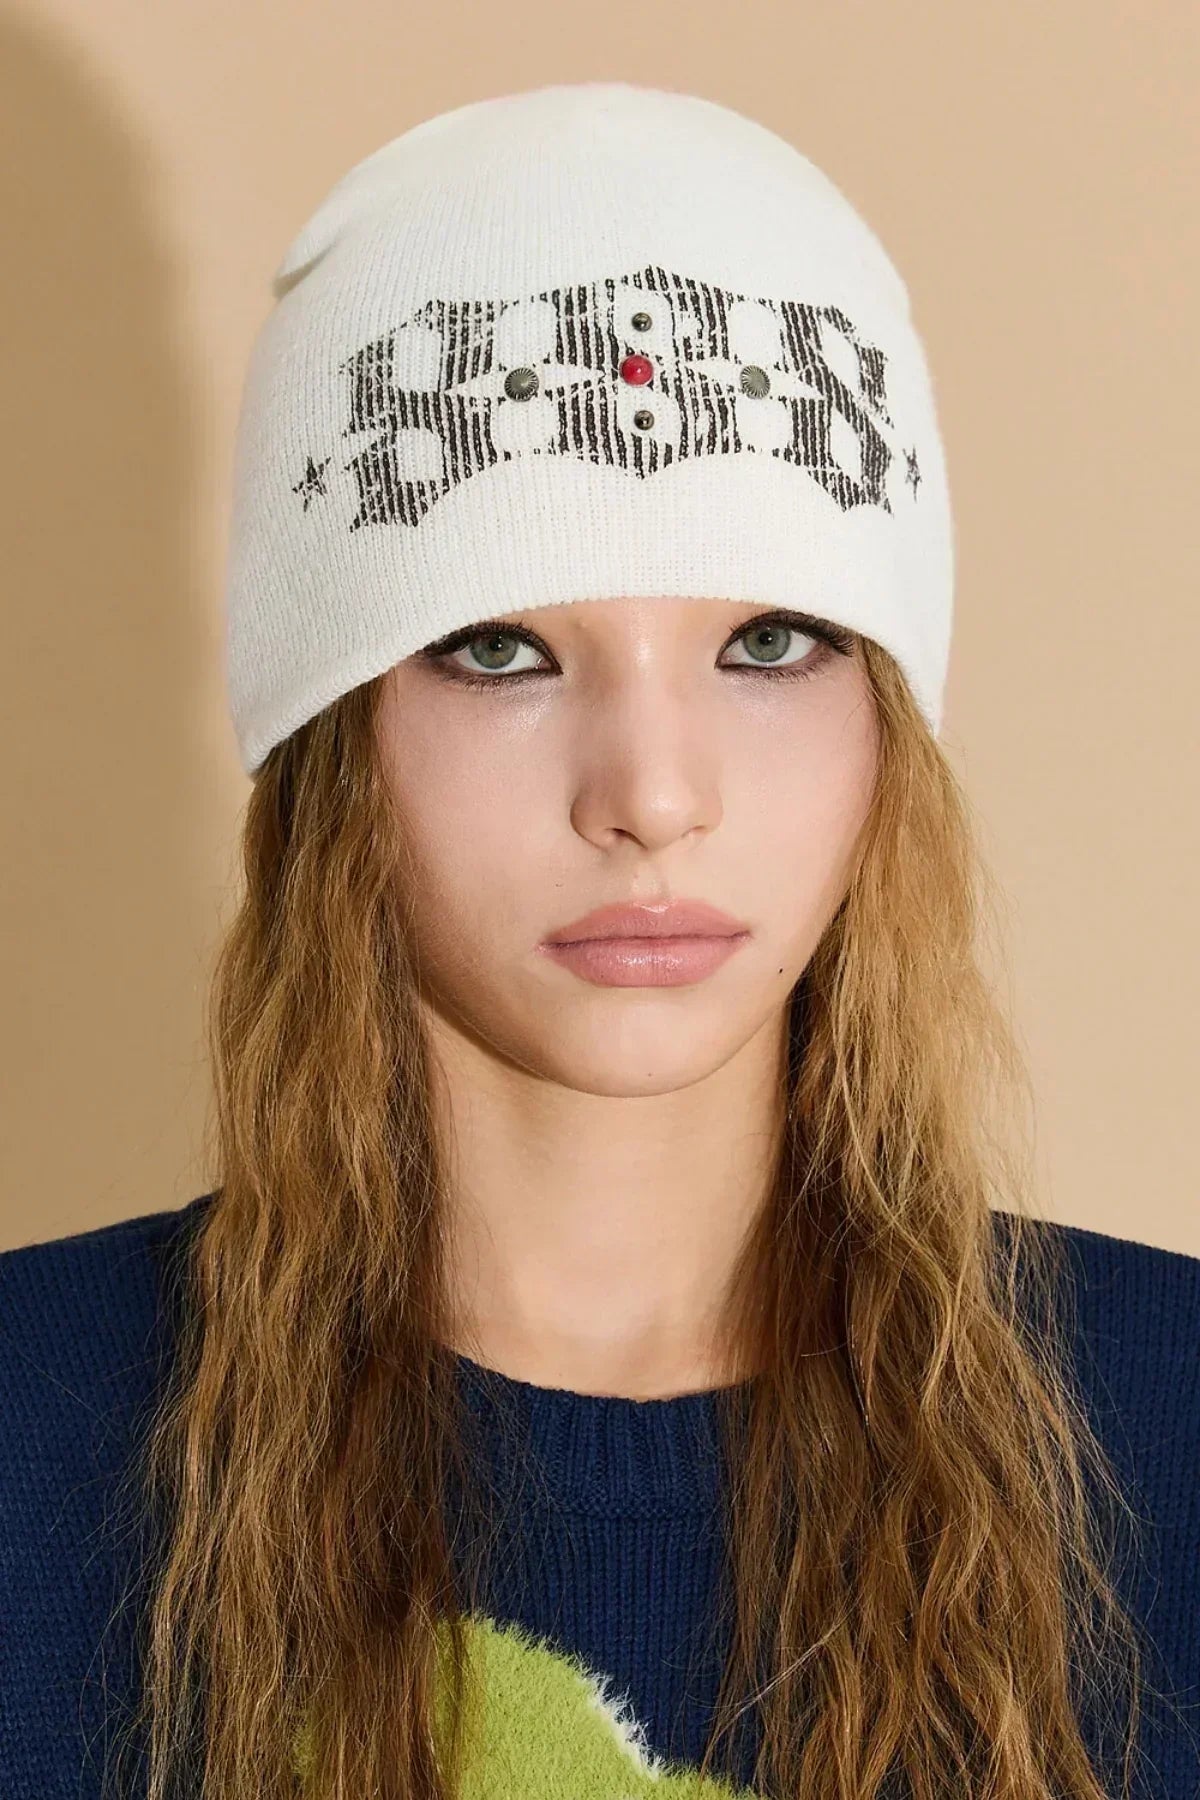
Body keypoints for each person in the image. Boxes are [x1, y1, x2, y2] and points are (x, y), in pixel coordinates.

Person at [2, 79, 1197, 1800]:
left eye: (773, 639)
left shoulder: (1169, 1429)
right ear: (328, 736)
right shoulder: (32, 1446)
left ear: (891, 727)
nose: (651, 794)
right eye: (500, 649)